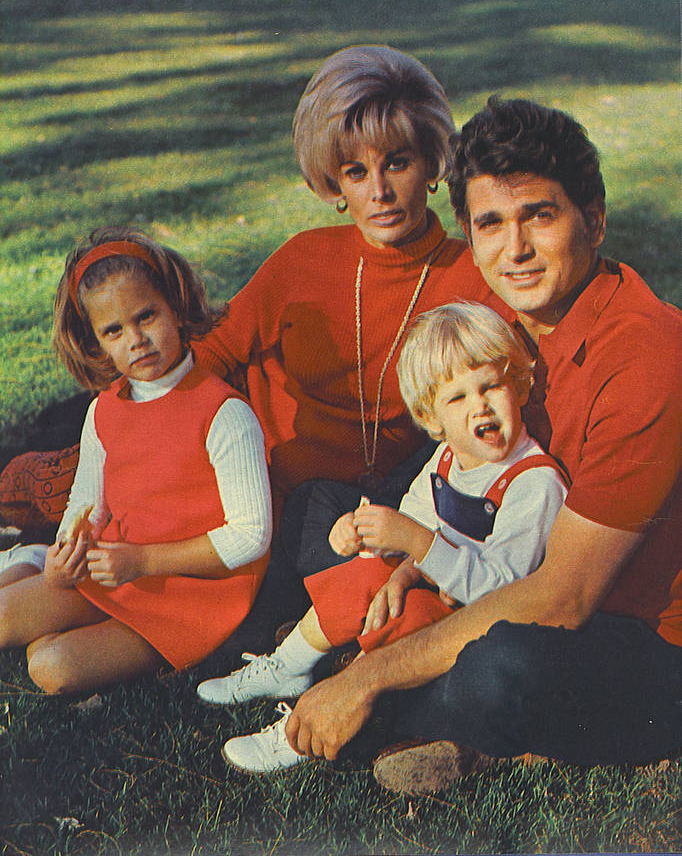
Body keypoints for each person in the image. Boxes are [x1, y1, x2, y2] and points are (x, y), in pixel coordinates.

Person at [271, 96, 682, 794]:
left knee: (500, 671)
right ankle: (395, 679)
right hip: (497, 563)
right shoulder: (501, 317)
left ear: (596, 219)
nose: (513, 250)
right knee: (327, 508)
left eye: (539, 217)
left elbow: (565, 597)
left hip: (631, 629)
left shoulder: (649, 356)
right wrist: (397, 556)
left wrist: (372, 674)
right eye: (490, 224)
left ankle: (390, 689)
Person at [0, 45, 508, 540]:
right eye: (356, 172)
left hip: (347, 507)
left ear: (431, 162)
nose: (379, 191)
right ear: (334, 182)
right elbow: (210, 351)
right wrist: (134, 445)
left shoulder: (470, 275)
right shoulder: (304, 259)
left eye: (397, 163)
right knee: (50, 484)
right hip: (237, 463)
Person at [197, 302, 567, 774]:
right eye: (457, 398)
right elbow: (411, 518)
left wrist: (415, 545)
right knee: (367, 578)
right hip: (437, 590)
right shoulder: (449, 457)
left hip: (480, 628)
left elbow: (502, 589)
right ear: (433, 418)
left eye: (491, 386)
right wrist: (370, 540)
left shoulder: (533, 482)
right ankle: (288, 666)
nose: (480, 406)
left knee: (405, 619)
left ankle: (313, 724)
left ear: (517, 384)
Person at [0, 228, 272, 694]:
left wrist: (142, 561)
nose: (137, 340)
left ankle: (27, 569)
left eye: (146, 316)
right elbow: (87, 503)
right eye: (114, 331)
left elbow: (252, 536)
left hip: (192, 595)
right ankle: (36, 561)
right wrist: (67, 550)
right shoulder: (104, 409)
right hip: (116, 570)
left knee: (50, 667)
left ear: (176, 306)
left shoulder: (224, 413)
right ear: (96, 343)